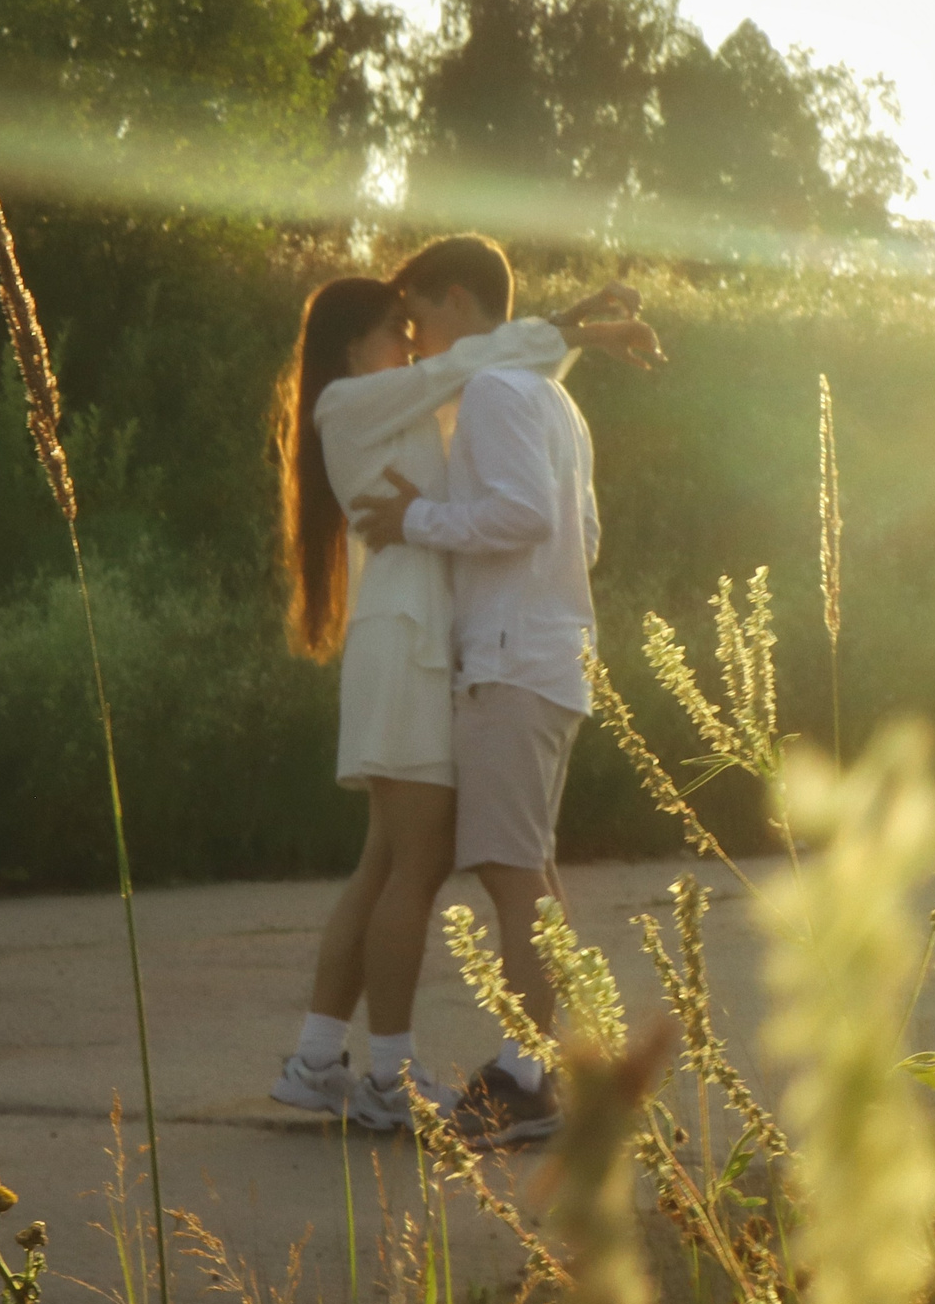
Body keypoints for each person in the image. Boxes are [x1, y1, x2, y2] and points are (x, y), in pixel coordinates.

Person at [270, 268, 657, 1133]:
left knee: (386, 863)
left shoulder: (405, 406)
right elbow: (473, 367)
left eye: (413, 326)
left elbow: (499, 381)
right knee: (414, 863)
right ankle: (387, 1077)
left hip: (418, 643)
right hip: (407, 644)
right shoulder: (350, 402)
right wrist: (581, 330)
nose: (410, 345)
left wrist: (572, 331)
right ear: (351, 345)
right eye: (393, 330)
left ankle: (317, 1060)